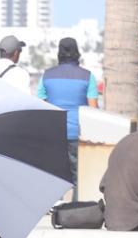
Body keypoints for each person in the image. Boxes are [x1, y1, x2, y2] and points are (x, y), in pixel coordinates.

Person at [37, 37, 99, 198]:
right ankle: (77, 206)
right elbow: (93, 109)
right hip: (78, 134)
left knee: (56, 176)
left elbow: (40, 107)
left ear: (59, 53)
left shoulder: (46, 76)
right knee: (79, 176)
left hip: (54, 134)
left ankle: (55, 205)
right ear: (77, 53)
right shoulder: (88, 76)